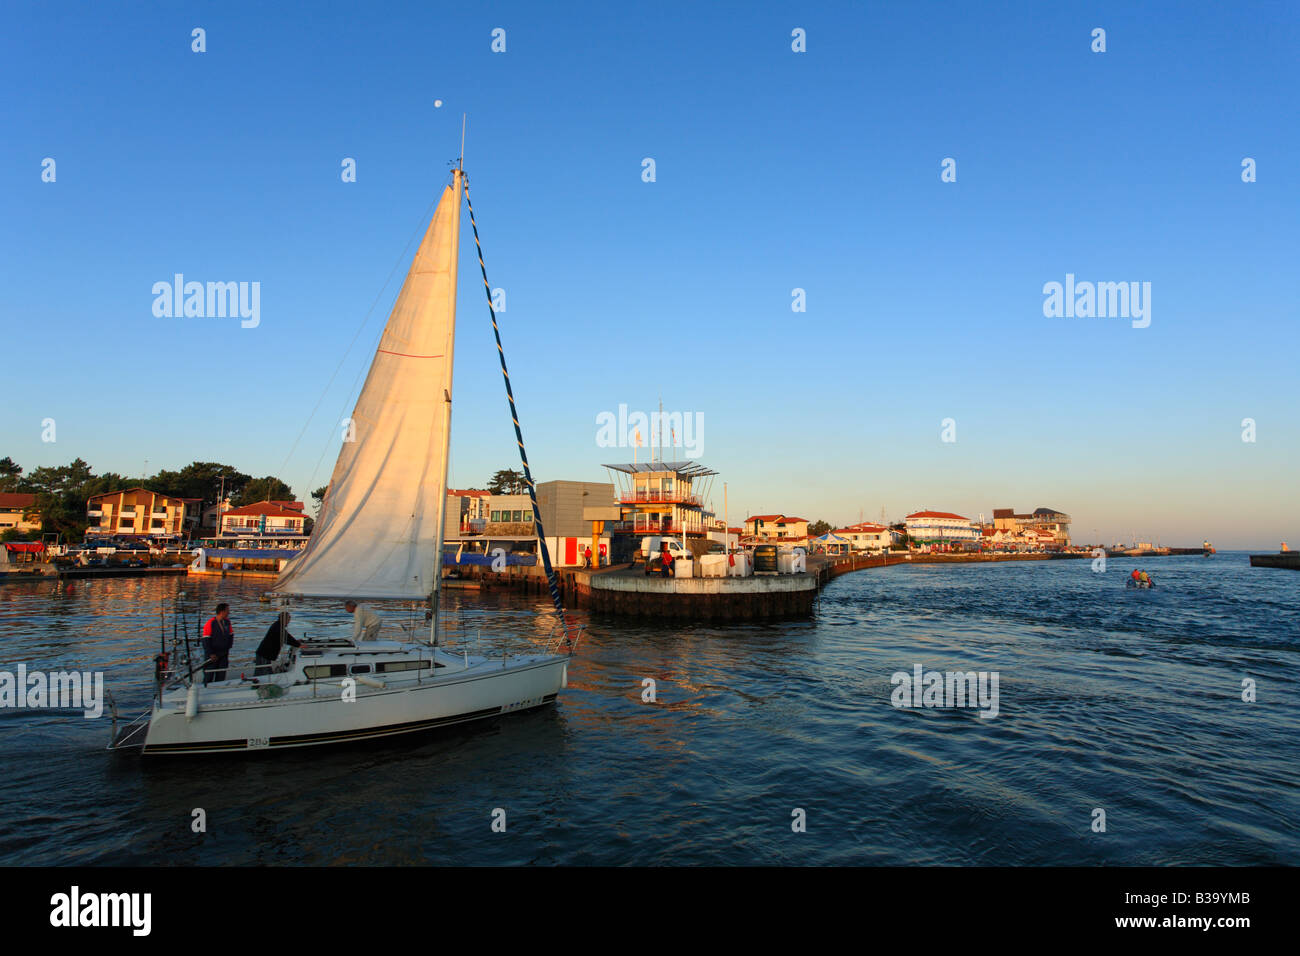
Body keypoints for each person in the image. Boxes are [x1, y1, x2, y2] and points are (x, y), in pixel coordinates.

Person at [254, 610, 302, 676]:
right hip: (265, 654)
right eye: (288, 619)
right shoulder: (278, 627)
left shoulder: (277, 625)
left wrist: (296, 642)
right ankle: (260, 685)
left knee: (262, 671)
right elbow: (286, 637)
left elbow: (286, 637)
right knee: (264, 673)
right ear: (285, 619)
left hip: (264, 653)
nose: (289, 622)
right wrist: (298, 645)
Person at [201, 602, 234, 684]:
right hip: (213, 655)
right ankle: (206, 689)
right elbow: (206, 640)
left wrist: (228, 647)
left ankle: (219, 689)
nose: (229, 612)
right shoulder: (210, 623)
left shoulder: (227, 622)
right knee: (209, 675)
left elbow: (231, 635)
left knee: (221, 675)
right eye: (227, 610)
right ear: (222, 611)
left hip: (224, 653)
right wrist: (211, 653)